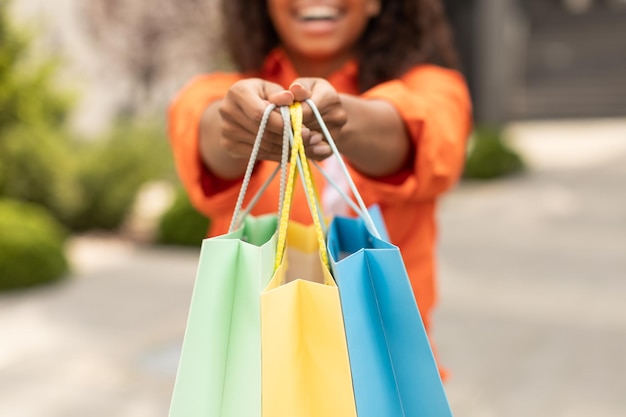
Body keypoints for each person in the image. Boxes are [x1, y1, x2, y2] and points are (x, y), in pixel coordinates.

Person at [168, 0, 472, 378]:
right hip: (254, 375)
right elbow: (203, 123)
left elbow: (420, 132)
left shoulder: (434, 89)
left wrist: (341, 121)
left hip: (382, 373)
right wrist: (237, 125)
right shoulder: (220, 91)